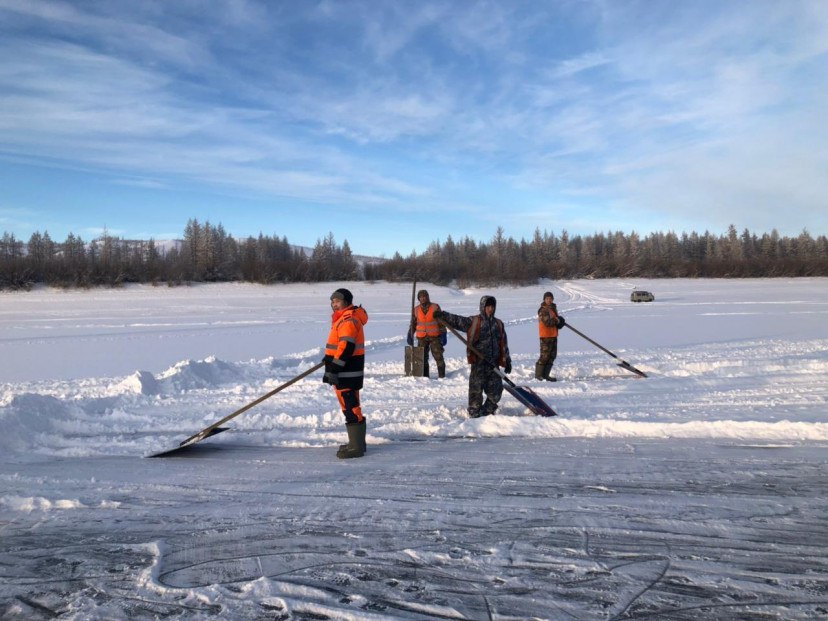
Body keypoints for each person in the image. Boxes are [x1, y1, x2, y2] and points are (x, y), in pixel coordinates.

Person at [434, 295, 512, 418]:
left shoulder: (498, 324)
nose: (490, 309)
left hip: (493, 364)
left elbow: (503, 343)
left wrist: (507, 359)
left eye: (492, 306)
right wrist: (442, 315)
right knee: (476, 391)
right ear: (482, 307)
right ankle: (474, 414)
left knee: (496, 392)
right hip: (479, 362)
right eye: (488, 306)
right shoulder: (474, 321)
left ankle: (487, 412)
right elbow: (457, 321)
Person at [323, 288, 369, 459]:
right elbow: (338, 345)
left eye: (338, 301)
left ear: (347, 302)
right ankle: (356, 443)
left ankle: (356, 447)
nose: (334, 304)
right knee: (351, 406)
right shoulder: (343, 318)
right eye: (332, 301)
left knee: (350, 407)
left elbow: (346, 347)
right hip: (345, 370)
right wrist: (328, 359)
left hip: (346, 371)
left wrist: (334, 368)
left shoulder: (348, 319)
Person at [409, 289, 447, 378]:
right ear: (419, 298)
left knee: (438, 356)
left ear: (428, 297)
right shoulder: (416, 310)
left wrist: (443, 334)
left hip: (435, 336)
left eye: (424, 296)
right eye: (421, 297)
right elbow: (413, 323)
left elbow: (441, 322)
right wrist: (410, 334)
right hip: (422, 337)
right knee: (422, 357)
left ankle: (442, 376)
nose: (423, 298)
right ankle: (425, 377)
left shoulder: (435, 307)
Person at [536, 291, 565, 382]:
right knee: (545, 356)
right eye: (547, 298)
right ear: (544, 299)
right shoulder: (543, 310)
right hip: (545, 336)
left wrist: (560, 322)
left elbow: (555, 322)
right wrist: (557, 320)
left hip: (553, 335)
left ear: (553, 299)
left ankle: (546, 375)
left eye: (550, 298)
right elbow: (548, 322)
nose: (549, 300)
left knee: (552, 356)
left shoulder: (553, 309)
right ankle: (539, 376)